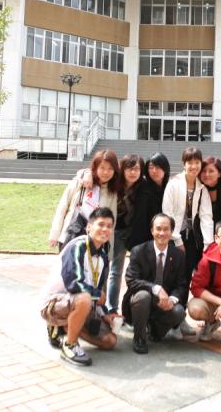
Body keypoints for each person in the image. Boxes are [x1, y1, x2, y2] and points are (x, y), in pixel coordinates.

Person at [39, 207, 118, 367]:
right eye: (101, 224)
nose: (105, 229)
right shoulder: (78, 246)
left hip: (80, 305)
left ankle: (66, 328)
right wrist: (97, 295)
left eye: (109, 226)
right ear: (89, 227)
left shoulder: (103, 257)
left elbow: (96, 290)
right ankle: (70, 345)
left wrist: (105, 314)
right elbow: (73, 283)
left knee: (110, 341)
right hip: (54, 304)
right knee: (84, 298)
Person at [162, 147, 214, 337]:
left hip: (193, 238)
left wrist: (208, 244)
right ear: (183, 164)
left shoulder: (201, 188)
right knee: (173, 278)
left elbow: (206, 217)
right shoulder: (173, 184)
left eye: (197, 162)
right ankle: (170, 321)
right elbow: (167, 213)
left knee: (187, 278)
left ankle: (180, 319)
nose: (193, 166)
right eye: (189, 162)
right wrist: (176, 239)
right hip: (173, 236)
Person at [122, 213, 187, 354]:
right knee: (143, 296)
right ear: (152, 230)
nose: (162, 233)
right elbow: (131, 280)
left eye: (166, 229)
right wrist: (155, 288)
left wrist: (172, 299)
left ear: (172, 232)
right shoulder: (138, 251)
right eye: (158, 229)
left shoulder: (178, 255)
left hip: (163, 303)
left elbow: (181, 285)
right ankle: (139, 339)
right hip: (141, 301)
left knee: (179, 311)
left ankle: (155, 332)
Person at [48, 150, 119, 251]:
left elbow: (111, 221)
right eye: (102, 168)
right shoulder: (79, 182)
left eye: (110, 168)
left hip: (96, 241)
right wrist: (55, 234)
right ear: (95, 167)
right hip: (71, 235)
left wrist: (109, 251)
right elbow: (62, 207)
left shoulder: (112, 191)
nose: (106, 172)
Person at [106, 154, 144, 314]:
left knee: (126, 272)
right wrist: (83, 174)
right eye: (129, 168)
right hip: (112, 230)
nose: (133, 172)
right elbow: (93, 173)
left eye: (136, 169)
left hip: (131, 233)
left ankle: (124, 309)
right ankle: (108, 308)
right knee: (111, 270)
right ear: (122, 169)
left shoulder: (142, 186)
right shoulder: (114, 182)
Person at [127, 152, 171, 251]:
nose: (154, 171)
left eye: (158, 167)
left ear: (165, 168)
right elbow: (140, 221)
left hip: (163, 237)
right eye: (151, 167)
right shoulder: (143, 188)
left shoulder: (169, 188)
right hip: (145, 241)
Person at [200, 156, 221, 224]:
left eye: (211, 171)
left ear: (219, 174)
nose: (207, 174)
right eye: (204, 171)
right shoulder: (198, 190)